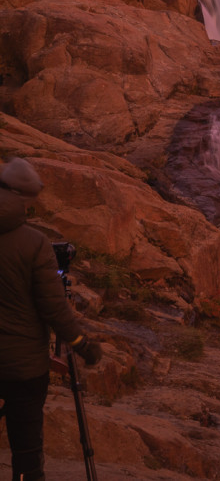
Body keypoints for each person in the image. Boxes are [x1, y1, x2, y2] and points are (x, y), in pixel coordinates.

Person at [0, 157, 102, 481]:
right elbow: (54, 309)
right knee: (27, 453)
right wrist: (82, 345)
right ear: (24, 201)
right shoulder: (34, 244)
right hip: (23, 369)